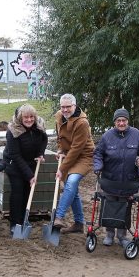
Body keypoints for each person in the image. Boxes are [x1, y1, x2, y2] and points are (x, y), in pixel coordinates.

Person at [93, 108, 139, 247]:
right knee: (110, 206)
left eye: (124, 120)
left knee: (125, 207)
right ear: (114, 122)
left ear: (127, 121)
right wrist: (98, 166)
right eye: (119, 120)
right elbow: (98, 154)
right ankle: (109, 234)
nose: (121, 123)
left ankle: (122, 236)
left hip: (129, 180)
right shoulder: (107, 136)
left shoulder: (136, 134)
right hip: (110, 179)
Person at [53, 93, 95, 233]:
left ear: (74, 106)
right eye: (62, 107)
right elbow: (60, 137)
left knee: (71, 182)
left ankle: (58, 217)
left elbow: (77, 148)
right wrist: (60, 149)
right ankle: (78, 223)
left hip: (84, 156)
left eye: (68, 107)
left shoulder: (82, 123)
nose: (65, 110)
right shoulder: (59, 116)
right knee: (74, 190)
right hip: (69, 154)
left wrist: (62, 168)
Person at [4, 104, 48, 234]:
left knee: (27, 193)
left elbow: (44, 139)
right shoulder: (12, 130)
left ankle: (23, 219)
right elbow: (15, 155)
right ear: (20, 118)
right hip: (14, 164)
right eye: (26, 117)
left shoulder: (38, 125)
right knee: (18, 192)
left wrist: (41, 153)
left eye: (31, 117)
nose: (29, 120)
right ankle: (14, 223)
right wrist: (30, 176)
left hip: (30, 163)